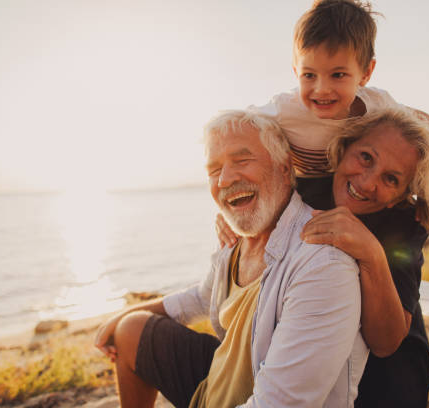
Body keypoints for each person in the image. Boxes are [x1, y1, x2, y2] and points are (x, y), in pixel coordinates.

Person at [95, 110, 369, 408]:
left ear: (284, 166)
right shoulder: (235, 239)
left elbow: (282, 403)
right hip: (213, 387)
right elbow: (203, 297)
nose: (225, 179)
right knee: (131, 328)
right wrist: (120, 317)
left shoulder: (322, 263)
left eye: (242, 160)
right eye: (214, 170)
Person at [217, 108, 429, 407]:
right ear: (344, 147)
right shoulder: (306, 190)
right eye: (365, 157)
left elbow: (386, 343)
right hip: (305, 360)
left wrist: (371, 254)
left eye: (390, 179)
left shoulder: (402, 225)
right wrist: (231, 216)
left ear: (400, 196)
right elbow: (254, 191)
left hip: (386, 383)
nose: (367, 183)